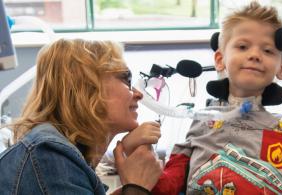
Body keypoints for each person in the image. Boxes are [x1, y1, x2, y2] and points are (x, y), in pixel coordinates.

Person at [151, 2, 282, 195]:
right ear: (220, 60)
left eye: (268, 50)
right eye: (243, 46)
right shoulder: (202, 121)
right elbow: (169, 182)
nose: (254, 55)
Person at [0, 38, 162, 195]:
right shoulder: (49, 156)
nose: (139, 94)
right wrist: (137, 187)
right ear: (86, 85)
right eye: (127, 78)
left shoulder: (56, 157)